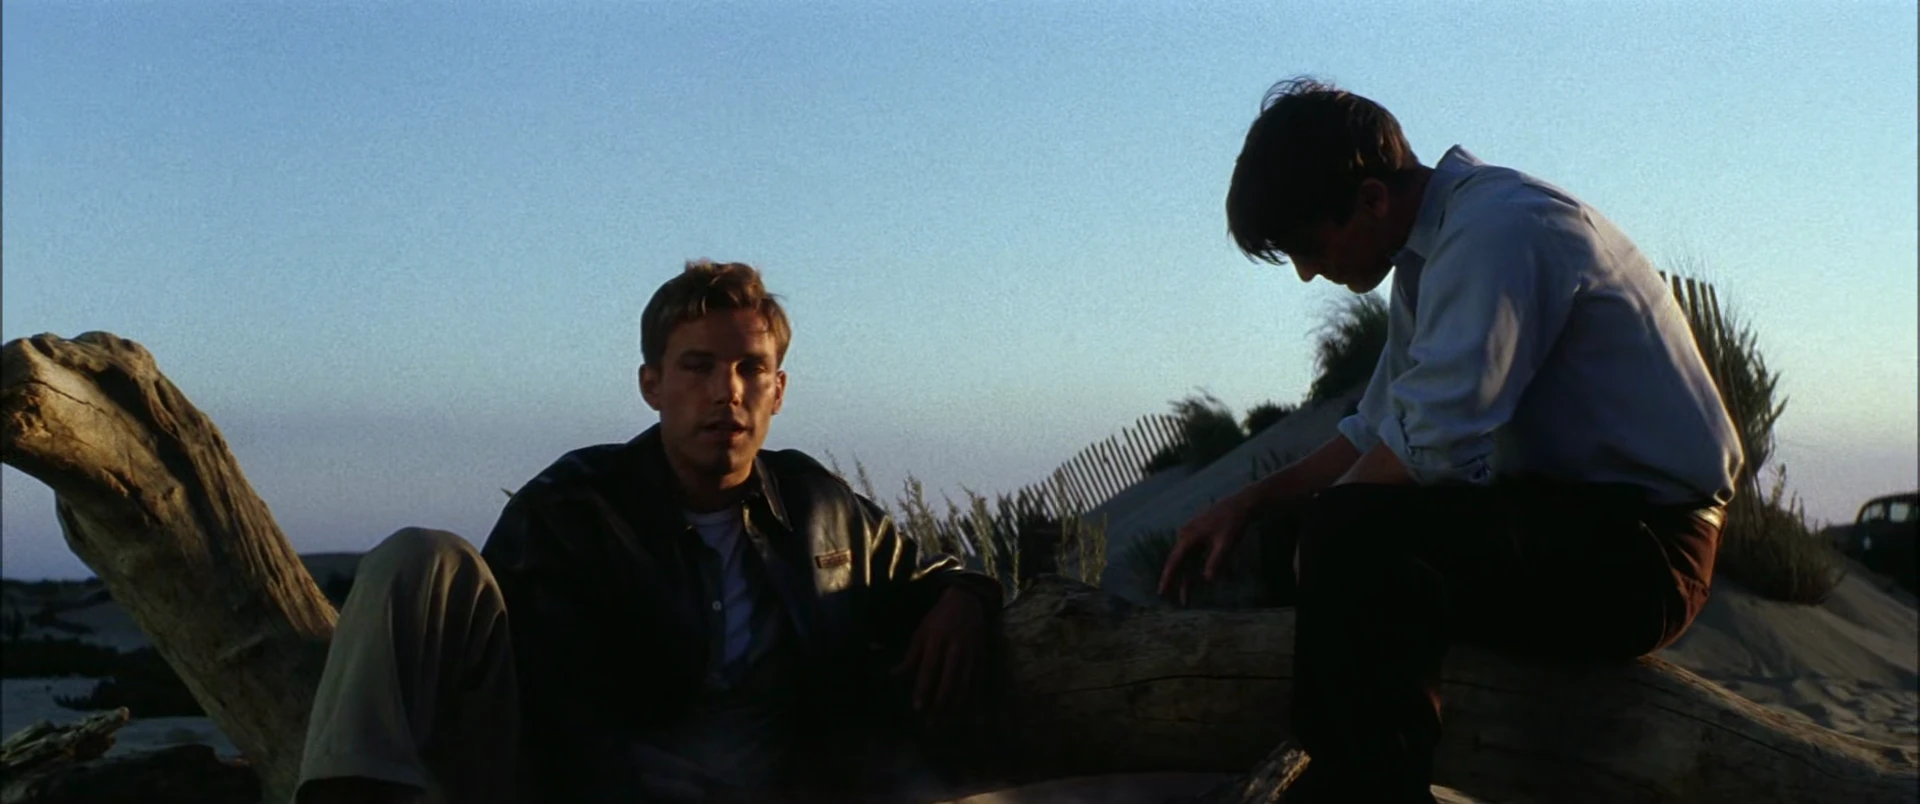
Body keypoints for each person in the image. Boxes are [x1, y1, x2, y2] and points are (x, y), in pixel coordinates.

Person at [1158, 78, 1743, 803]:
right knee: (1312, 530)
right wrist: (1249, 502)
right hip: (1572, 522)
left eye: (1310, 245)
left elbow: (1427, 452)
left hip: (1648, 557)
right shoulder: (1429, 254)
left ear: (1373, 198)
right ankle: (1332, 769)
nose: (1308, 273)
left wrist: (1327, 539)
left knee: (1348, 534)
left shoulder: (1498, 232)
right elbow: (1377, 433)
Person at [296, 260, 1003, 804]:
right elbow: (499, 676)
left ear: (778, 391)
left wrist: (966, 592)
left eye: (750, 369)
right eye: (699, 366)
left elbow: (925, 573)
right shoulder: (571, 506)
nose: (727, 391)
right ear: (652, 385)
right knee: (420, 559)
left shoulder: (819, 507)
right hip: (585, 788)